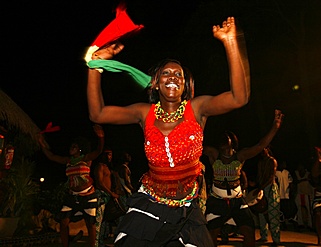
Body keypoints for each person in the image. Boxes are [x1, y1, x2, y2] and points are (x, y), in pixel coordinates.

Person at [86, 16, 250, 247]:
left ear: (185, 85)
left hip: (186, 208)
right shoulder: (144, 113)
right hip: (151, 203)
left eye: (179, 75)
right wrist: (97, 67)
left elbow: (239, 97)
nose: (173, 77)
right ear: (156, 83)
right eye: (166, 73)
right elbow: (98, 114)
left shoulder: (197, 109)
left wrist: (230, 42)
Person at [202, 109, 283, 247]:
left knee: (249, 233)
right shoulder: (214, 154)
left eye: (226, 139)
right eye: (221, 139)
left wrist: (274, 128)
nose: (222, 141)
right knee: (211, 237)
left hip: (237, 200)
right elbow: (196, 145)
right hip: (217, 200)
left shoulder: (240, 156)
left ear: (232, 143)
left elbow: (260, 145)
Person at [38, 124, 104, 247]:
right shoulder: (67, 161)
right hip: (72, 196)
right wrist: (42, 144)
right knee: (63, 222)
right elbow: (51, 156)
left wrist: (101, 137)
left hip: (88, 195)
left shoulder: (85, 158)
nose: (71, 148)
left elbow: (98, 151)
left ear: (80, 149)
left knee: (90, 224)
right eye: (71, 146)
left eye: (74, 147)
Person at [256, 147, 281, 246]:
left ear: (268, 149)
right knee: (261, 212)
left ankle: (276, 239)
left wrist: (261, 186)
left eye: (264, 149)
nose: (262, 151)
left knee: (273, 214)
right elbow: (259, 176)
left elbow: (271, 176)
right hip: (262, 188)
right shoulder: (260, 162)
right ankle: (264, 236)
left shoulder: (272, 161)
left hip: (270, 188)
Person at [275, 160, 296, 230]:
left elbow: (291, 182)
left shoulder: (287, 172)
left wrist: (291, 191)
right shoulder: (275, 173)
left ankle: (289, 222)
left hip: (286, 194)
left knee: (287, 209)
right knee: (280, 210)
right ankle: (283, 224)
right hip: (279, 194)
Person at [293, 162, 314, 230]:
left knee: (309, 209)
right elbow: (295, 182)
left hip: (307, 193)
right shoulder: (296, 173)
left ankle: (310, 224)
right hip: (299, 193)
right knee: (298, 209)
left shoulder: (308, 174)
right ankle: (300, 223)